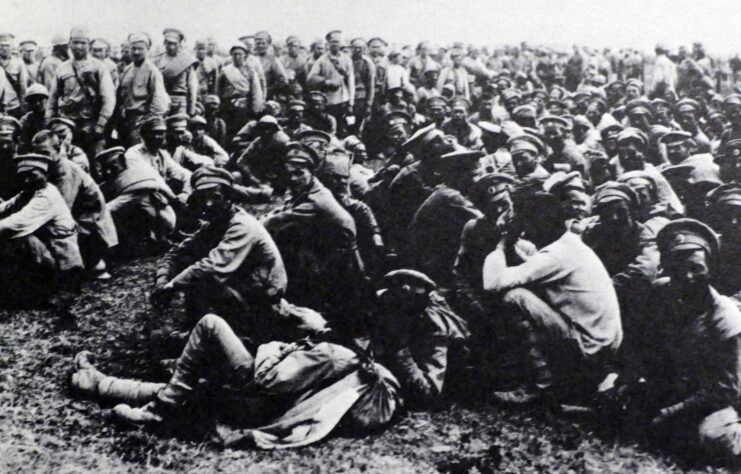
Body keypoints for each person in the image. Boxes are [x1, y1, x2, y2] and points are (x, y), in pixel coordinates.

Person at [614, 219, 741, 461]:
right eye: (678, 270)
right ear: (667, 269)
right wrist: (627, 379)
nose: (688, 277)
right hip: (682, 389)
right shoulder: (661, 294)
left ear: (710, 269)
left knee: (715, 437)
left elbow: (725, 390)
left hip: (721, 400)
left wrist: (672, 411)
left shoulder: (723, 315)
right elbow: (642, 346)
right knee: (618, 406)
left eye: (697, 268)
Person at [483, 192, 622, 404]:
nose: (524, 230)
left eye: (525, 223)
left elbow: (493, 283)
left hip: (588, 347)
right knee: (526, 294)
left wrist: (501, 246)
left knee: (514, 297)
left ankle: (539, 385)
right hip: (600, 344)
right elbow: (533, 267)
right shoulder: (569, 245)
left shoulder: (558, 255)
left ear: (539, 223)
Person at [153, 165, 288, 336]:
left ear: (228, 197)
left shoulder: (242, 225)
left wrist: (172, 287)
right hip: (244, 290)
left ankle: (213, 333)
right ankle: (196, 327)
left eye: (216, 197)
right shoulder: (217, 223)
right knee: (190, 263)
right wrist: (162, 281)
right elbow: (177, 252)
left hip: (264, 303)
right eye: (203, 198)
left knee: (203, 275)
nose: (208, 203)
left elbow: (212, 267)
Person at [262, 142, 362, 334]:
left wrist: (249, 225)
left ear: (311, 172)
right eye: (289, 173)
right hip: (326, 251)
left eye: (299, 173)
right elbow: (285, 210)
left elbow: (278, 219)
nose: (293, 178)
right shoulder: (311, 190)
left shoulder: (316, 199)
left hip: (340, 262)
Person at [0, 153, 83, 316]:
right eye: (23, 176)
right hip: (49, 249)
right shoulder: (31, 191)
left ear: (44, 173)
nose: (26, 180)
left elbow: (16, 223)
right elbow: (7, 207)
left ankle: (52, 290)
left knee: (17, 238)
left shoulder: (47, 197)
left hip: (62, 258)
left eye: (31, 175)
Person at [33, 130, 118, 277]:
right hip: (81, 223)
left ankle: (91, 264)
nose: (41, 158)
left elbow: (62, 208)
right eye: (37, 153)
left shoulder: (65, 170)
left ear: (58, 149)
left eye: (45, 153)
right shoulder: (51, 167)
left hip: (91, 229)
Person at [407, 149, 483, 292]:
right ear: (459, 175)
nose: (476, 180)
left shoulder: (445, 190)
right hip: (431, 262)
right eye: (473, 175)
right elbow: (482, 220)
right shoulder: (450, 196)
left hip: (430, 256)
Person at [46, 27, 115, 160]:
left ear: (88, 45)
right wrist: (50, 121)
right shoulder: (62, 68)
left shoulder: (98, 67)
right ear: (70, 44)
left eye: (83, 43)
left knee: (95, 161)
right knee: (66, 159)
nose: (78, 46)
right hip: (67, 123)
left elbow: (109, 98)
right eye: (75, 42)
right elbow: (52, 99)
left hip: (91, 124)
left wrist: (100, 124)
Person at [97, 146, 177, 251]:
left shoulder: (135, 179)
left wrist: (96, 213)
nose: (108, 171)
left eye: (112, 166)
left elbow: (118, 203)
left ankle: (151, 241)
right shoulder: (125, 175)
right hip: (161, 218)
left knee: (117, 212)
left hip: (164, 223)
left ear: (121, 161)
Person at [116, 32, 170, 148]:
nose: (136, 52)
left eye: (140, 49)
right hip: (127, 121)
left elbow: (159, 102)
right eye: (133, 48)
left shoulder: (152, 71)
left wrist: (149, 124)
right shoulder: (127, 70)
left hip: (142, 121)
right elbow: (121, 97)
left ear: (147, 49)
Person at [124, 116, 192, 204]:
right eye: (152, 133)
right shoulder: (133, 154)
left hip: (158, 197)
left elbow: (185, 174)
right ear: (143, 135)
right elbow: (152, 180)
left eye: (161, 133)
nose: (156, 137)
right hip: (139, 199)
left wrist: (185, 193)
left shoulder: (162, 154)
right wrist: (174, 198)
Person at [307, 30, 355, 136]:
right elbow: (310, 78)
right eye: (332, 41)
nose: (335, 44)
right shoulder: (322, 60)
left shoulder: (346, 59)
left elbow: (351, 81)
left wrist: (351, 102)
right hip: (327, 102)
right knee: (327, 129)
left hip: (342, 101)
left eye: (337, 41)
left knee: (342, 130)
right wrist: (327, 82)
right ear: (328, 43)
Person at [216, 42, 264, 136]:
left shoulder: (250, 70)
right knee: (228, 130)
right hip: (228, 105)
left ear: (245, 55)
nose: (237, 56)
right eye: (235, 54)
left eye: (240, 54)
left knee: (243, 130)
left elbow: (256, 90)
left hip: (244, 106)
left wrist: (256, 107)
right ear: (231, 55)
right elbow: (218, 89)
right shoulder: (225, 71)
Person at [154, 28, 199, 116]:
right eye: (168, 43)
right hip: (160, 102)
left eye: (174, 44)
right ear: (164, 43)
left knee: (178, 128)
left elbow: (192, 87)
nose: (171, 47)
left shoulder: (186, 60)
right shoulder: (156, 60)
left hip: (179, 103)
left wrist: (191, 110)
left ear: (179, 44)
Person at [253, 31, 289, 100]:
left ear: (268, 45)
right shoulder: (250, 59)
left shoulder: (273, 60)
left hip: (267, 96)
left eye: (263, 43)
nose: (260, 45)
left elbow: (283, 80)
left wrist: (268, 90)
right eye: (258, 43)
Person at [0, 33, 28, 117]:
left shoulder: (18, 63)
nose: (4, 48)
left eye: (7, 46)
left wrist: (23, 106)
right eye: (1, 45)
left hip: (14, 106)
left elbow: (23, 86)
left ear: (12, 47)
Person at [19, 83, 49, 152]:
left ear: (46, 100)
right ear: (28, 103)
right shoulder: (25, 120)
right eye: (33, 101)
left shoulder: (54, 118)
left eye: (40, 99)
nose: (37, 104)